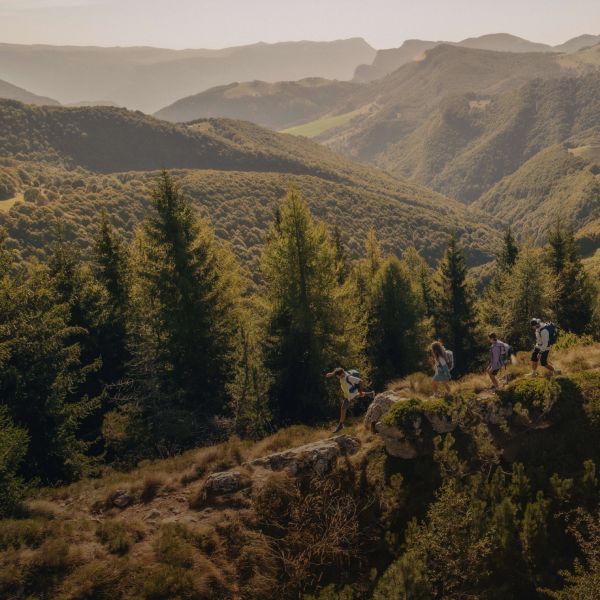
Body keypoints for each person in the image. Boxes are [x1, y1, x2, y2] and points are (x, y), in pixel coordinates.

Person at [325, 368, 374, 434]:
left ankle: (340, 425)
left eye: (338, 376)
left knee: (343, 408)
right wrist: (332, 373)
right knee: (356, 395)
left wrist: (361, 392)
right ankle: (370, 393)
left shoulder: (349, 377)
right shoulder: (342, 372)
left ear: (342, 374)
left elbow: (360, 381)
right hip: (349, 393)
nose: (337, 377)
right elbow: (339, 369)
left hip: (350, 395)